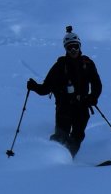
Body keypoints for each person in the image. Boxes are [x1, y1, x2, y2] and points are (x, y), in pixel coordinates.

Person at [27, 25, 101, 157]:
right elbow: (45, 88)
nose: (73, 50)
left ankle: (68, 160)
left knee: (77, 136)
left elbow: (97, 84)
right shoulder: (59, 66)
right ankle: (50, 158)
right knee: (61, 136)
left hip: (82, 106)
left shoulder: (88, 64)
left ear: (80, 46)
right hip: (64, 108)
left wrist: (93, 97)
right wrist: (34, 87)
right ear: (65, 49)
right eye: (69, 47)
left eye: (75, 47)